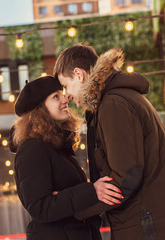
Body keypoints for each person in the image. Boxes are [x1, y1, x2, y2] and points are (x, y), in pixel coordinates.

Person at [53, 44, 165, 240]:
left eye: (65, 85)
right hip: (160, 226)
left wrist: (75, 209)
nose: (67, 95)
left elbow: (126, 177)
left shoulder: (113, 104)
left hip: (155, 228)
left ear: (79, 74)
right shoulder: (117, 99)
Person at [10, 76, 123, 240]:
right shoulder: (32, 148)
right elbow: (40, 208)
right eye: (55, 97)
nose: (65, 100)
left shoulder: (57, 147)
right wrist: (91, 191)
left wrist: (66, 196)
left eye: (61, 94)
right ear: (39, 110)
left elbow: (63, 203)